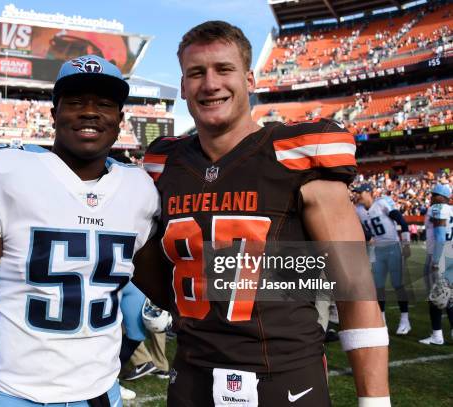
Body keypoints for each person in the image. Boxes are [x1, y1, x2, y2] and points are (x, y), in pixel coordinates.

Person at [135, 21, 389, 406]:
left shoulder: (296, 156)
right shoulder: (164, 164)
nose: (210, 84)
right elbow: (147, 265)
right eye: (196, 73)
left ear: (249, 79)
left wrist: (375, 402)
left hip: (284, 380)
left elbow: (356, 292)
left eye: (224, 69)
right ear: (184, 86)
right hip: (191, 374)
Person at [0, 55, 160, 406]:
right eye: (75, 102)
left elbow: (158, 287)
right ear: (53, 114)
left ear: (120, 119)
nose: (90, 112)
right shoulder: (4, 175)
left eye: (104, 104)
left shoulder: (140, 190)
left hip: (102, 393)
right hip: (20, 395)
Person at [354, 184, 412, 334]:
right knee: (378, 287)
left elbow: (403, 223)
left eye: (360, 192)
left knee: (398, 285)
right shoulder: (358, 210)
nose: (357, 195)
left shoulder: (381, 203)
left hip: (393, 247)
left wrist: (406, 245)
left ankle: (405, 320)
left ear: (368, 192)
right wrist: (368, 237)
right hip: (377, 250)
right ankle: (381, 320)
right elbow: (359, 228)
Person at [419, 183, 453, 345]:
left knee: (435, 298)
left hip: (439, 256)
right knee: (449, 297)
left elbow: (440, 236)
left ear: (442, 197)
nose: (431, 198)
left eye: (434, 195)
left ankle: (437, 335)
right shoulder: (451, 210)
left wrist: (436, 260)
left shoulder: (438, 208)